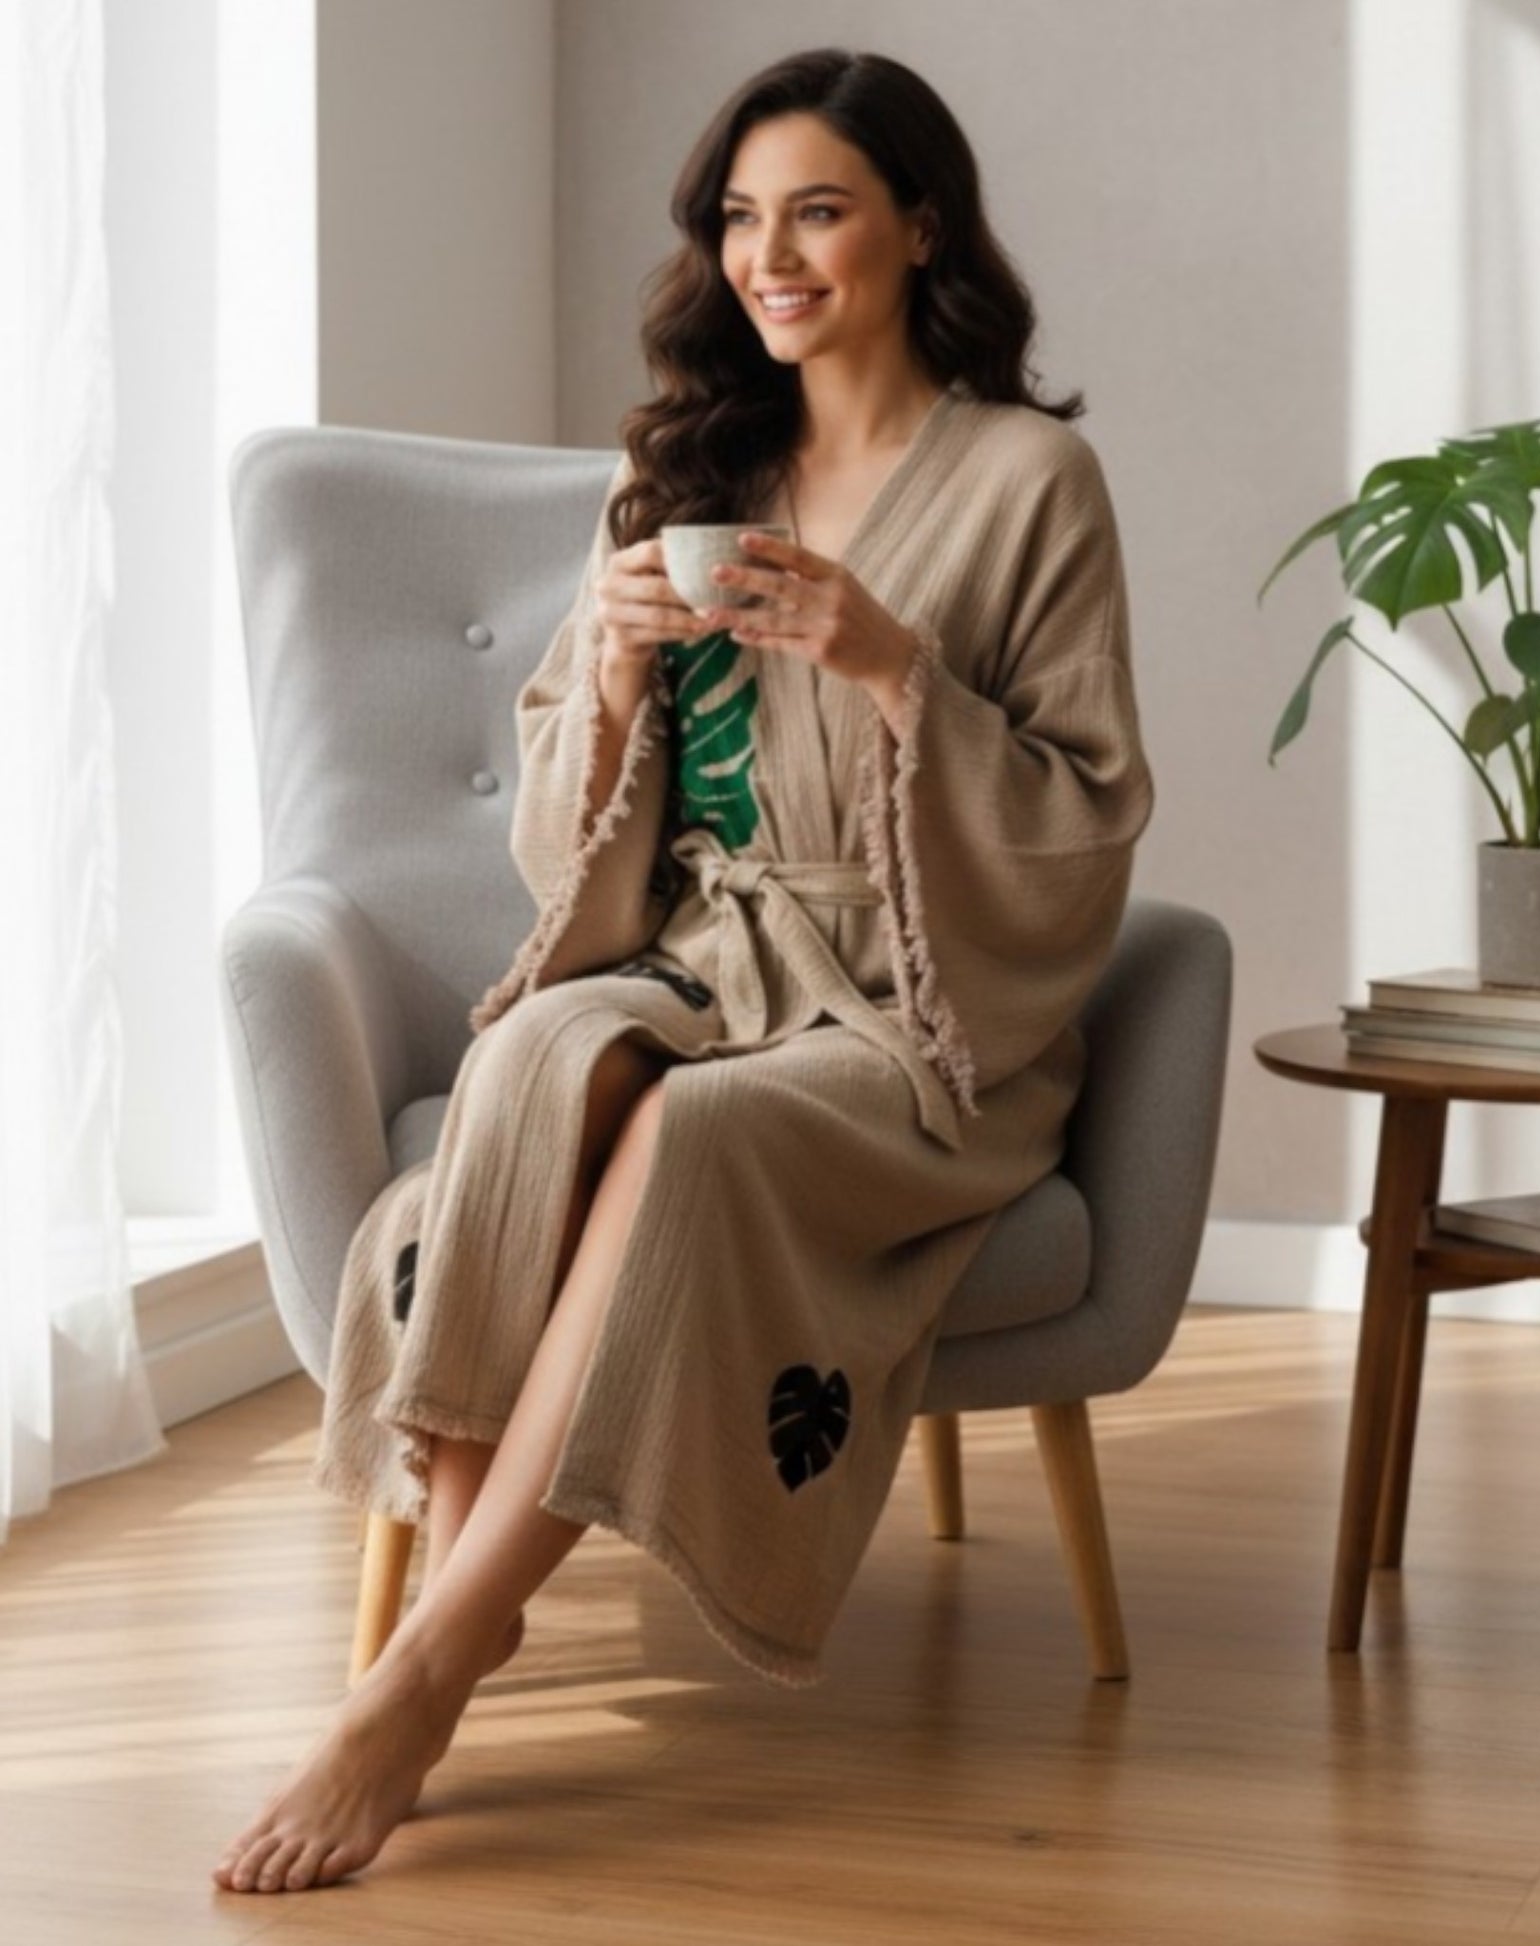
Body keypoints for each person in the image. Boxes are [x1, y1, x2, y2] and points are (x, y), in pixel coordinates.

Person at [212, 45, 1154, 1895]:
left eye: (817, 211)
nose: (767, 257)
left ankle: (425, 1673)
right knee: (532, 1065)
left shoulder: (1033, 480)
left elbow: (1087, 807)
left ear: (920, 229)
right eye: (738, 217)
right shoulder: (682, 472)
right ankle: (447, 1637)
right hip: (699, 953)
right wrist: (620, 666)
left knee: (693, 1133)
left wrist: (892, 667)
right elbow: (565, 832)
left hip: (911, 1012)